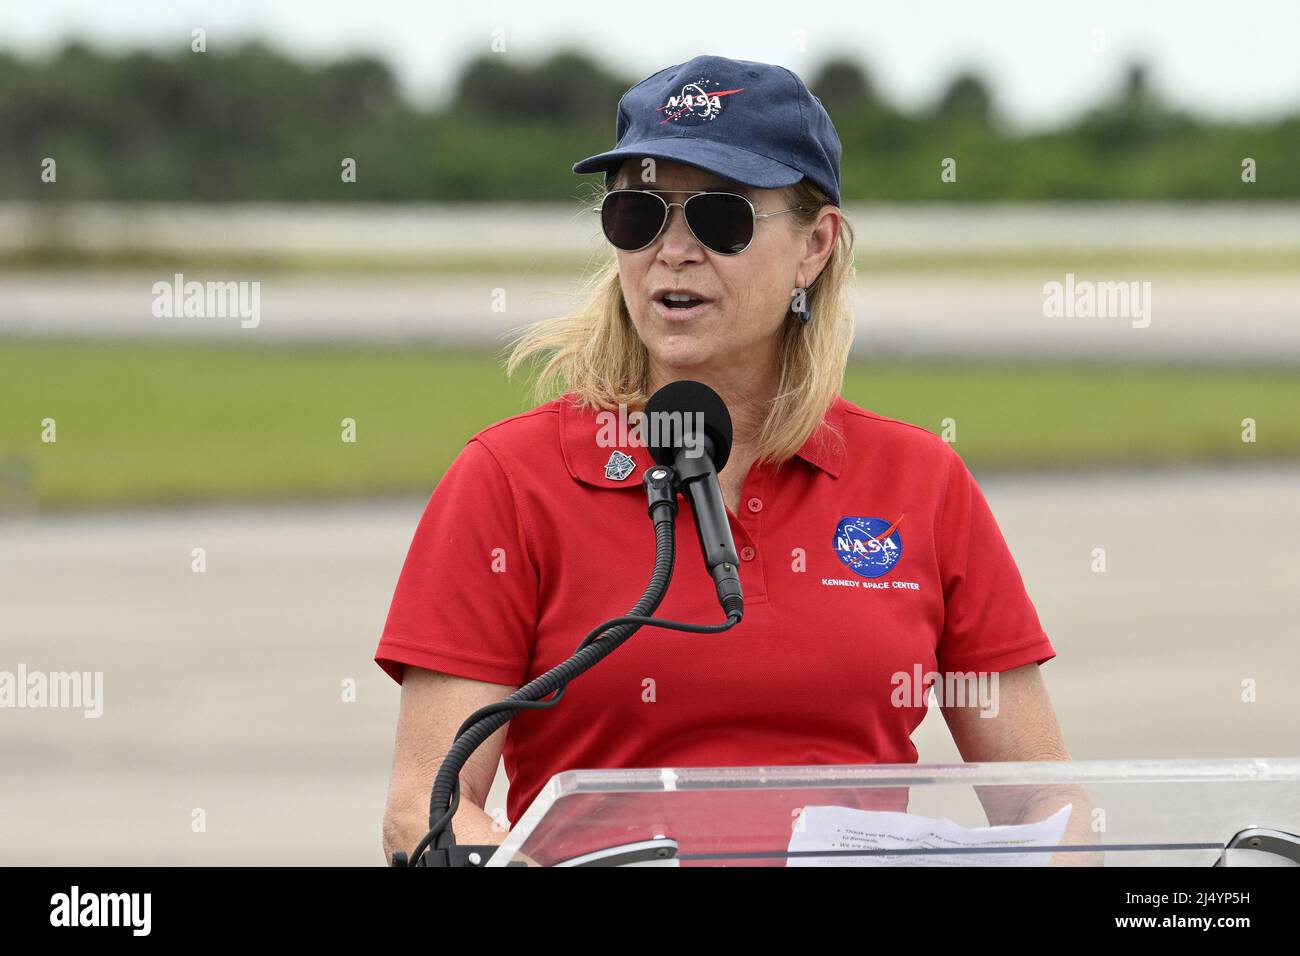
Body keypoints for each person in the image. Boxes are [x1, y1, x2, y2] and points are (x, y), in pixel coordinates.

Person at [376, 54, 1078, 865]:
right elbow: (425, 812)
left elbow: (1045, 800)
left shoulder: (922, 482)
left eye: (721, 217)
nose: (672, 250)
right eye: (639, 214)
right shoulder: (508, 478)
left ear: (815, 246)